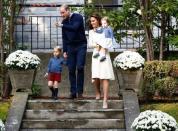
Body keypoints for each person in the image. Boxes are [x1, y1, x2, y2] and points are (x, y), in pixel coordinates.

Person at [56, 4, 87, 99]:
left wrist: (61, 25)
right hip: (70, 47)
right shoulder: (64, 22)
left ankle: (80, 92)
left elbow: (75, 28)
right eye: (60, 13)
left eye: (63, 12)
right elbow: (64, 37)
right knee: (71, 69)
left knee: (80, 67)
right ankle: (73, 92)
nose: (62, 15)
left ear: (68, 10)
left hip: (81, 45)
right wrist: (65, 50)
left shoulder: (78, 17)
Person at [88, 13, 115, 109]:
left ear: (98, 20)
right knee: (95, 76)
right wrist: (97, 45)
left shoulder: (105, 29)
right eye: (91, 21)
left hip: (104, 54)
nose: (92, 23)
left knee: (105, 77)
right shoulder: (91, 32)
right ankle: (97, 92)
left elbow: (109, 42)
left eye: (93, 21)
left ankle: (105, 100)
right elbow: (90, 44)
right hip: (96, 54)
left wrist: (103, 46)